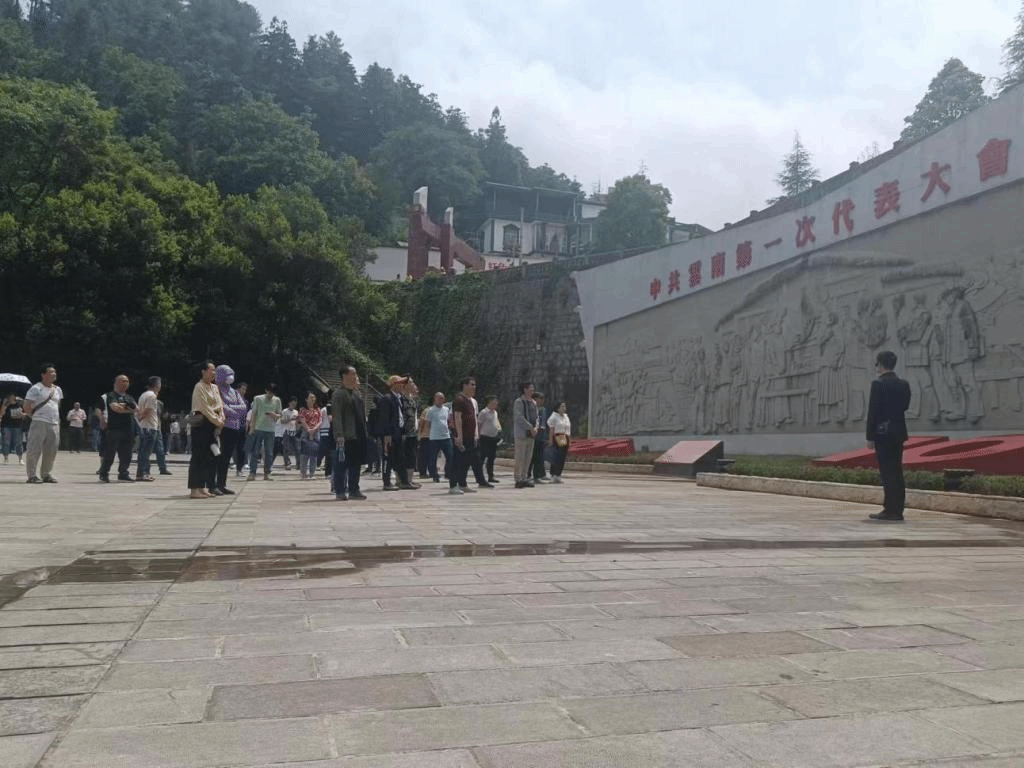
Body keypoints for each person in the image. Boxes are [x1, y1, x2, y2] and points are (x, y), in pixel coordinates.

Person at [865, 350, 912, 522]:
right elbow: (905, 406)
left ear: (880, 364)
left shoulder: (878, 384)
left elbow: (873, 412)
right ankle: (897, 509)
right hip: (898, 432)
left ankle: (890, 509)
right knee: (897, 471)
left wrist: (870, 436)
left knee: (887, 472)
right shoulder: (903, 384)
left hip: (882, 433)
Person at [331, 365, 368, 501]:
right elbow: (337, 416)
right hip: (346, 436)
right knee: (341, 465)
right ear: (344, 376)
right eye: (353, 374)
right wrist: (339, 434)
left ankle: (354, 489)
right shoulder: (339, 394)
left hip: (357, 434)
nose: (355, 377)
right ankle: (340, 491)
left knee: (355, 464)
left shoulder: (356, 394)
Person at [189, 360, 225, 499]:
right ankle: (194, 488)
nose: (213, 373)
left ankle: (202, 486)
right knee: (198, 456)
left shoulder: (215, 387)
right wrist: (218, 421)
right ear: (203, 372)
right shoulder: (199, 387)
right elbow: (205, 408)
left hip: (213, 424)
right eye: (211, 370)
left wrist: (221, 419)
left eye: (215, 370)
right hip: (201, 424)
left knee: (209, 457)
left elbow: (220, 405)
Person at [377, 375, 419, 490]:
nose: (402, 386)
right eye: (400, 383)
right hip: (390, 434)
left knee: (400, 458)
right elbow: (384, 418)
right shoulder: (387, 398)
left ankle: (404, 481)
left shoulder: (398, 398)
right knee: (388, 459)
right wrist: (387, 434)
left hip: (398, 433)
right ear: (393, 385)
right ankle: (387, 483)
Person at [22, 364, 62, 483]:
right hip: (39, 422)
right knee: (34, 449)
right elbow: (26, 406)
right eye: (51, 372)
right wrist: (34, 417)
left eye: (54, 372)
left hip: (54, 423)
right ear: (43, 375)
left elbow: (57, 405)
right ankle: (32, 475)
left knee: (51, 450)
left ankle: (46, 474)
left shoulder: (57, 389)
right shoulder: (36, 388)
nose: (54, 374)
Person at [452, 376, 491, 493]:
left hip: (472, 436)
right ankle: (455, 485)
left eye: (474, 385)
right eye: (471, 384)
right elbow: (457, 418)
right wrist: (459, 436)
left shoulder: (471, 401)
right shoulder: (459, 400)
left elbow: (474, 418)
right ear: (464, 385)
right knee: (460, 461)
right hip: (464, 436)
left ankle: (464, 484)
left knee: (470, 461)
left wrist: (476, 435)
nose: (474, 387)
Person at [212, 365, 246, 495]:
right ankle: (214, 484)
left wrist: (231, 409)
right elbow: (221, 406)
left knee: (227, 457)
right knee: (218, 456)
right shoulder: (216, 390)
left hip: (234, 427)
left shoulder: (234, 391)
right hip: (222, 427)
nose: (230, 377)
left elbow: (243, 407)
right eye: (227, 374)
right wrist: (234, 411)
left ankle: (222, 484)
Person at [98, 374, 138, 483]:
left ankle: (123, 473)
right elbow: (115, 408)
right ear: (116, 382)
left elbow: (137, 410)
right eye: (122, 381)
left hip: (128, 428)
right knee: (110, 453)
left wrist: (125, 407)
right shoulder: (111, 395)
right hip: (114, 428)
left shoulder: (129, 397)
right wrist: (129, 409)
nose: (125, 383)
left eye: (127, 381)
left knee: (127, 454)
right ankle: (104, 473)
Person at [247, 383, 281, 481]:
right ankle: (252, 473)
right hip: (258, 428)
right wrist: (252, 428)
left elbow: (279, 414)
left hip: (270, 429)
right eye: (270, 392)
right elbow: (254, 413)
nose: (271, 395)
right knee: (255, 451)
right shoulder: (258, 398)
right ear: (266, 390)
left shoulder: (277, 400)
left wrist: (274, 415)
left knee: (269, 452)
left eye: (273, 393)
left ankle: (267, 473)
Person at [425, 392, 456, 490]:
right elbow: (428, 423)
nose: (441, 400)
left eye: (442, 398)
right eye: (439, 398)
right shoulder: (431, 410)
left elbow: (449, 420)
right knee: (433, 457)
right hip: (434, 437)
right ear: (435, 399)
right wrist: (429, 434)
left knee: (450, 456)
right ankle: (434, 475)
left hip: (446, 436)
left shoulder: (446, 409)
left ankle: (448, 473)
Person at [135, 377, 162, 481]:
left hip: (143, 427)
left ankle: (140, 473)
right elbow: (148, 410)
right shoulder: (152, 396)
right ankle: (144, 473)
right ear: (157, 385)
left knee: (142, 451)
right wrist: (141, 418)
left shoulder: (143, 395)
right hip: (150, 426)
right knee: (146, 452)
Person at [512, 382, 539, 489]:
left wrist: (536, 427)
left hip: (531, 434)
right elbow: (519, 417)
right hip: (521, 433)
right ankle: (518, 478)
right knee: (520, 457)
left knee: (528, 457)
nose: (532, 392)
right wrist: (530, 427)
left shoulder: (533, 403)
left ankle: (524, 477)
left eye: (533, 390)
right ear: (525, 389)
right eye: (530, 389)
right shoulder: (519, 402)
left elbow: (537, 417)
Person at [297, 392, 322, 480]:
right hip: (305, 432)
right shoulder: (303, 410)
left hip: (316, 432)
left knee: (314, 453)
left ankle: (312, 473)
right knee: (304, 453)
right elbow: (301, 420)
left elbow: (320, 420)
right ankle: (303, 473)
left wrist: (314, 429)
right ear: (306, 399)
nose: (313, 399)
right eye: (311, 397)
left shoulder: (317, 409)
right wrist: (308, 429)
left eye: (314, 397)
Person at [478, 396, 501, 484]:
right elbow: (479, 424)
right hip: (484, 437)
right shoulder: (484, 412)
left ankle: (491, 476)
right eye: (493, 403)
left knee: (492, 457)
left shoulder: (495, 413)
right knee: (482, 457)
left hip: (493, 437)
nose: (495, 405)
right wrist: (478, 436)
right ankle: (479, 476)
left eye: (496, 404)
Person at [547, 401, 572, 483]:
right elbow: (551, 429)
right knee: (556, 456)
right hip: (558, 437)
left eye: (564, 406)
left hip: (565, 437)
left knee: (562, 457)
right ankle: (553, 474)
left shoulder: (566, 417)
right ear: (558, 408)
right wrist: (550, 440)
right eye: (562, 406)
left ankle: (558, 474)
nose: (564, 408)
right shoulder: (554, 417)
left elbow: (568, 429)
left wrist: (569, 440)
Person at [531, 392, 551, 483]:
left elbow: (545, 423)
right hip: (535, 435)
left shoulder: (543, 409)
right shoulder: (532, 409)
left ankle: (541, 474)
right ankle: (533, 475)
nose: (542, 401)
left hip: (542, 435)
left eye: (543, 399)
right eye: (540, 399)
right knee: (534, 457)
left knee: (541, 456)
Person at [1, 393, 25, 464]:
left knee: (18, 442)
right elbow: (1, 413)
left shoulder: (20, 403)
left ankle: (20, 458)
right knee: (6, 442)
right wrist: (5, 405)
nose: (11, 398)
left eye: (12, 396)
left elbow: (25, 413)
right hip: (6, 425)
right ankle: (6, 458)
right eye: (9, 397)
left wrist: (21, 414)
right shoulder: (4, 403)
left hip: (17, 425)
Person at [233, 382, 249, 476]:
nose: (243, 391)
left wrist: (247, 426)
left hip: (242, 427)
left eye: (245, 389)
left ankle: (239, 469)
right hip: (233, 426)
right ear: (238, 389)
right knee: (231, 448)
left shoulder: (246, 402)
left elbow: (246, 415)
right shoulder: (233, 400)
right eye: (242, 389)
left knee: (242, 449)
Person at [280, 398, 299, 471]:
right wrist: (290, 419)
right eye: (292, 404)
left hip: (293, 431)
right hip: (286, 430)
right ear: (289, 403)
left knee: (297, 448)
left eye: (295, 404)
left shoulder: (296, 412)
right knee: (286, 448)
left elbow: (297, 422)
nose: (293, 405)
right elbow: (282, 421)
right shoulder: (285, 411)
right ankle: (287, 462)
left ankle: (298, 464)